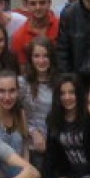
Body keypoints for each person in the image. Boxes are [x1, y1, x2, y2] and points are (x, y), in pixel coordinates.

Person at [35, 74, 90, 178]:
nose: (67, 97)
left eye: (71, 92)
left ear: (79, 94)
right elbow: (50, 157)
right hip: (68, 173)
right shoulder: (54, 118)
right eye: (63, 93)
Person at [20, 36, 58, 169]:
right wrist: (33, 132)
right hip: (30, 146)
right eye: (36, 56)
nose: (41, 61)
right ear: (30, 58)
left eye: (45, 56)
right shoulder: (22, 83)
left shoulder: (58, 82)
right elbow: (15, 113)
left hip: (55, 145)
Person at [11, 0, 59, 67]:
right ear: (26, 5)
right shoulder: (19, 36)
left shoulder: (62, 26)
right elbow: (23, 69)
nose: (38, 7)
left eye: (42, 3)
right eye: (33, 3)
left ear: (49, 3)